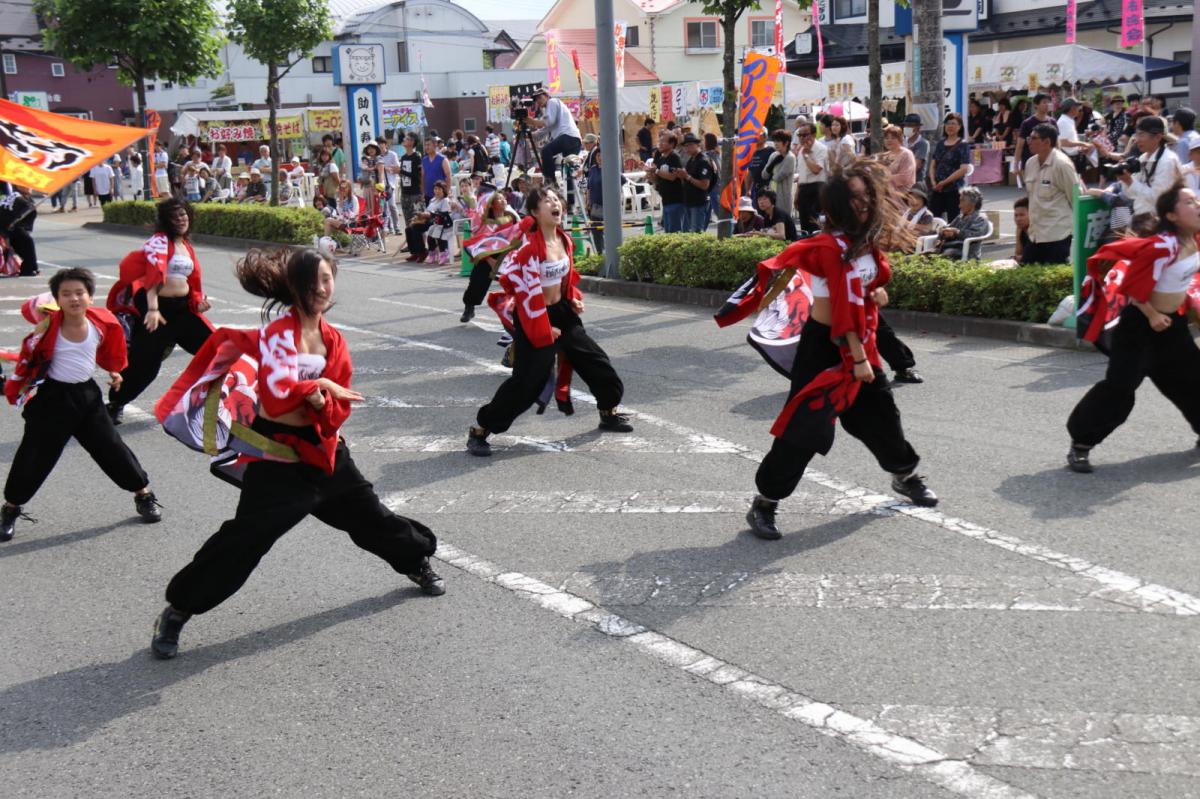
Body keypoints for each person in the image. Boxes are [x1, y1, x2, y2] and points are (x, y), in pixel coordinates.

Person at [149, 248, 443, 659]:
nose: (321, 288)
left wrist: (324, 403)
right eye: (312, 281)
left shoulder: (332, 338)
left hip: (323, 449)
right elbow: (278, 393)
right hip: (277, 456)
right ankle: (179, 609)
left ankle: (415, 561)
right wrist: (317, 389)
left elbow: (338, 399)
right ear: (294, 286)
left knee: (370, 515)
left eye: (327, 279)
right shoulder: (278, 334)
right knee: (247, 538)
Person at [718, 163, 936, 541]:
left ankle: (905, 476)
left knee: (882, 417)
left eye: (866, 195)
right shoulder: (826, 248)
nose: (863, 203)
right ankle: (766, 502)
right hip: (826, 347)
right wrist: (859, 358)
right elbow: (839, 310)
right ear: (838, 204)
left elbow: (866, 285)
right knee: (805, 429)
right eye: (854, 197)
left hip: (861, 339)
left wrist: (876, 292)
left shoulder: (863, 241)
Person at [468, 187, 633, 456]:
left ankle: (608, 412)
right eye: (547, 201)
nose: (555, 203)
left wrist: (573, 299)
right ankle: (481, 430)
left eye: (556, 199)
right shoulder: (528, 250)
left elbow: (565, 279)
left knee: (596, 362)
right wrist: (544, 328)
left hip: (562, 313)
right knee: (527, 383)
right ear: (535, 211)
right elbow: (524, 293)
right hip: (533, 316)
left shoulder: (564, 239)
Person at [1, 268, 163, 541]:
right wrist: (20, 385)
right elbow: (30, 358)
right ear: (57, 300)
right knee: (34, 455)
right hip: (53, 398)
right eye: (66, 294)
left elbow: (108, 350)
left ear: (90, 296)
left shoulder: (101, 323)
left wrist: (114, 371)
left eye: (80, 293)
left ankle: (143, 495)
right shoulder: (47, 328)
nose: (74, 298)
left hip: (87, 397)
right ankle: (10, 508)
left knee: (112, 448)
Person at [1067, 183, 1200, 473]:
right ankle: (1081, 444)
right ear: (1172, 215)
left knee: (1193, 378)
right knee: (1120, 388)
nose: (1198, 205)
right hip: (1139, 327)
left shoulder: (1195, 238)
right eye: (1189, 202)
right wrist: (1152, 314)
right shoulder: (1162, 247)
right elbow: (1129, 287)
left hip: (1171, 325)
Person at [106, 198, 213, 423]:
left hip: (182, 310)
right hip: (157, 312)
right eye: (174, 217)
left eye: (183, 215)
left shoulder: (186, 246)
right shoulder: (158, 242)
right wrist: (153, 309)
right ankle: (116, 403)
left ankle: (217, 400)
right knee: (144, 365)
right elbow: (153, 277)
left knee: (216, 349)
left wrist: (198, 301)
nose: (180, 220)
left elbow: (192, 280)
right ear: (166, 221)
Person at [1022, 123, 1078, 264]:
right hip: (1035, 233)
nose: (1029, 142)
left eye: (1033, 138)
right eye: (1029, 138)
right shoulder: (1030, 163)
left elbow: (1076, 198)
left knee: (1053, 272)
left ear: (1047, 142)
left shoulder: (1062, 164)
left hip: (1057, 234)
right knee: (1026, 269)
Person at [461, 191, 521, 321]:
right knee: (477, 282)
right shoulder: (484, 221)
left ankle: (517, 312)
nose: (503, 200)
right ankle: (469, 308)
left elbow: (517, 235)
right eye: (499, 199)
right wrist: (488, 259)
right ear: (491, 204)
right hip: (485, 256)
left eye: (504, 198)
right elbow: (479, 241)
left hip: (506, 255)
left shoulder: (512, 218)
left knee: (516, 283)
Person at [1124, 115, 1182, 217]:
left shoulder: (1167, 160)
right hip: (1141, 217)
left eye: (1141, 135)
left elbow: (1159, 199)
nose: (1137, 140)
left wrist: (1130, 181)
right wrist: (1125, 179)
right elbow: (1130, 194)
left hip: (1160, 220)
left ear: (1158, 137)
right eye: (1136, 135)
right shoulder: (1143, 158)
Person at [528, 87, 582, 193]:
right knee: (567, 171)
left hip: (568, 136)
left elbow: (549, 122)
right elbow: (544, 129)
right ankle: (570, 198)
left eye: (540, 97)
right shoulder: (551, 109)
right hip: (574, 139)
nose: (538, 101)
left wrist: (532, 121)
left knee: (546, 150)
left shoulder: (552, 102)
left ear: (547, 96)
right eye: (536, 99)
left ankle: (550, 182)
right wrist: (529, 134)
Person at [927, 113, 971, 219]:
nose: (950, 126)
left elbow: (964, 169)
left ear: (960, 126)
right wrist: (933, 182)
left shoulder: (963, 145)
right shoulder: (940, 144)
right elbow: (933, 165)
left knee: (954, 219)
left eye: (953, 123)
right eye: (947, 123)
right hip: (938, 188)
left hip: (954, 189)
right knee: (934, 219)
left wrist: (944, 182)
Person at [934, 186, 989, 260]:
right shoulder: (960, 216)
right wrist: (942, 234)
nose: (959, 205)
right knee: (926, 255)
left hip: (967, 252)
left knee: (946, 254)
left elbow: (974, 235)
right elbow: (949, 227)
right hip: (951, 248)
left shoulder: (980, 218)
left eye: (962, 201)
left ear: (973, 203)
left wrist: (956, 232)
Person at [648, 131, 685, 233]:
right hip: (665, 201)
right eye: (659, 141)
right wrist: (650, 175)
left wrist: (656, 171)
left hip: (676, 201)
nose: (659, 144)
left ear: (672, 144)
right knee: (668, 233)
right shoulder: (661, 158)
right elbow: (658, 180)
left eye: (663, 141)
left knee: (675, 233)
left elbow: (673, 177)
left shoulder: (674, 157)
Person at [794, 123, 828, 233]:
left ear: (813, 135)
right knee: (804, 224)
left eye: (805, 135)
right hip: (803, 189)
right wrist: (797, 194)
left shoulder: (821, 149)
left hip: (817, 188)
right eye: (799, 135)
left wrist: (806, 155)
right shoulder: (801, 150)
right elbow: (801, 175)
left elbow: (816, 170)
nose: (802, 138)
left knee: (816, 225)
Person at [680, 132, 715, 233]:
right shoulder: (691, 160)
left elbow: (705, 185)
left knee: (697, 233)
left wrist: (687, 176)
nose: (687, 148)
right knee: (687, 233)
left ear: (698, 145)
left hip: (699, 202)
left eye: (690, 144)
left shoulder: (703, 161)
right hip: (689, 201)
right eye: (685, 145)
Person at [0, 187, 40, 276]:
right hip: (7, 227)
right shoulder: (18, 198)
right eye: (25, 186)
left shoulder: (23, 198)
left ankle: (30, 268)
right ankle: (30, 268)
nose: (29, 188)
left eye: (30, 186)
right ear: (18, 186)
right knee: (27, 242)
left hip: (12, 227)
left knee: (24, 243)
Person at [422, 180, 460, 265]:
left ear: (443, 190)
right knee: (430, 234)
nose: (437, 191)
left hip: (446, 223)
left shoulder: (445, 200)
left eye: (439, 189)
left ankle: (444, 252)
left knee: (438, 232)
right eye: (435, 189)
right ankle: (432, 252)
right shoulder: (432, 200)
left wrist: (433, 214)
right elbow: (429, 211)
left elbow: (445, 214)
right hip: (436, 222)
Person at [1056, 98, 1095, 175]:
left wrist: (1080, 148)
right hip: (1067, 158)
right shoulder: (1063, 122)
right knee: (1072, 181)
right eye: (1078, 107)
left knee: (1077, 180)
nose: (1079, 109)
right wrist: (1084, 144)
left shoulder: (1069, 120)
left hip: (1073, 157)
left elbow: (1070, 139)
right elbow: (1063, 142)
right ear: (1072, 108)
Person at [1015, 94, 1053, 169]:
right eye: (1044, 102)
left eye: (1049, 102)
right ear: (1036, 105)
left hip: (1049, 164)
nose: (1047, 104)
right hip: (1030, 164)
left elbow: (1056, 144)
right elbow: (1019, 146)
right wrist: (1016, 165)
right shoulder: (1027, 123)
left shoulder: (1052, 122)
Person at [762, 129, 796, 215]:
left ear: (786, 143)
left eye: (778, 141)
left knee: (782, 219)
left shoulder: (790, 157)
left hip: (783, 197)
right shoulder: (774, 155)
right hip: (771, 195)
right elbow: (764, 175)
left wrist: (770, 172)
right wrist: (772, 163)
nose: (775, 143)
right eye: (774, 141)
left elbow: (778, 177)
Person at [880, 124, 916, 192]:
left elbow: (904, 178)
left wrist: (883, 178)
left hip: (903, 194)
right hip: (886, 192)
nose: (889, 140)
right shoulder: (884, 155)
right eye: (886, 138)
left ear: (900, 139)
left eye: (893, 138)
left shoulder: (906, 154)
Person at [422, 137, 452, 203]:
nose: (426, 147)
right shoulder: (424, 160)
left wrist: (447, 192)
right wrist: (423, 192)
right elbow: (423, 177)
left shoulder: (443, 159)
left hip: (441, 195)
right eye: (425, 145)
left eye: (428, 145)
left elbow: (449, 176)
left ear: (435, 145)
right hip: (428, 194)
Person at [747, 129, 773, 202]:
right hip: (755, 188)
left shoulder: (771, 151)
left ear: (765, 137)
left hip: (767, 187)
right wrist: (748, 189)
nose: (756, 137)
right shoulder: (751, 152)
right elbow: (750, 172)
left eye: (759, 135)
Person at [901, 114, 930, 179]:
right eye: (906, 125)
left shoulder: (923, 143)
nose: (907, 127)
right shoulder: (902, 141)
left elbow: (916, 166)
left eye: (911, 125)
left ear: (918, 127)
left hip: (916, 181)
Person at [703, 132, 723, 222]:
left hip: (712, 186)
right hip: (717, 185)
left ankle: (730, 228)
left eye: (703, 140)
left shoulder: (708, 155)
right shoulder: (717, 154)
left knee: (719, 212)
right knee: (707, 212)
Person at [1012, 196, 1031, 262]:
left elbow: (1031, 257)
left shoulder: (1038, 231)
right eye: (1016, 215)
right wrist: (1018, 235)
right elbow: (1018, 254)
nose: (1018, 219)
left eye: (1022, 215)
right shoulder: (1020, 230)